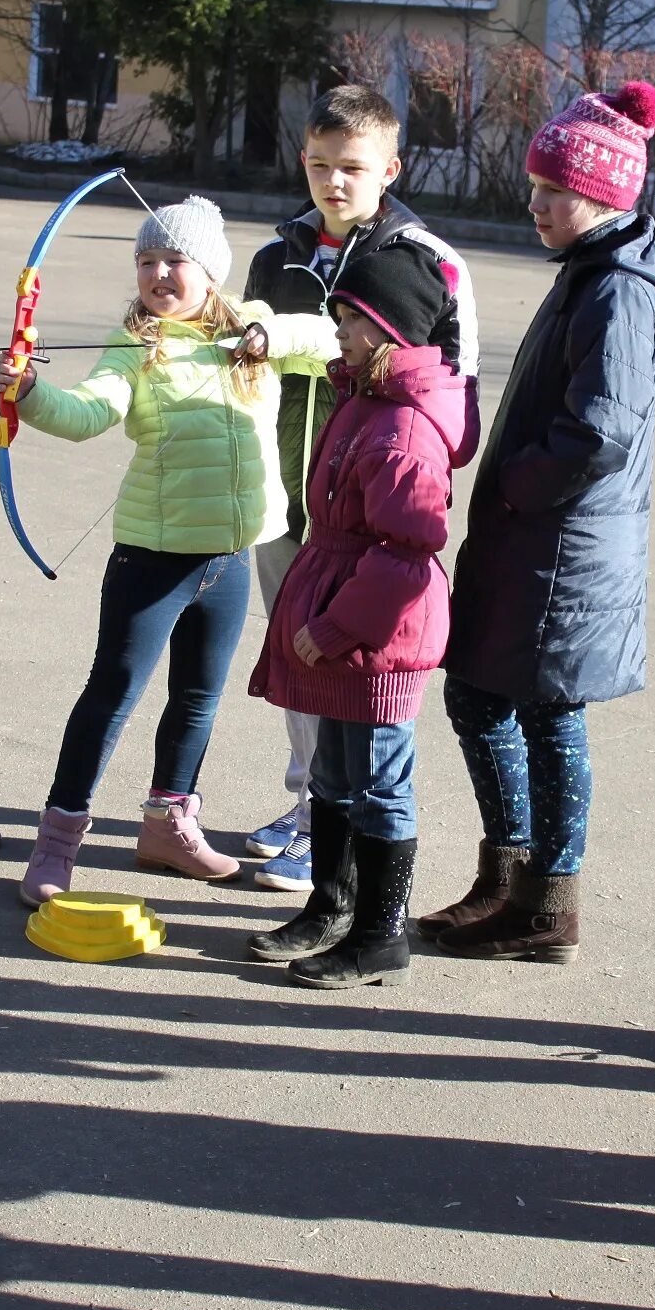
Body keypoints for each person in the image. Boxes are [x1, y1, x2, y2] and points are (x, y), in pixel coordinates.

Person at [427, 80, 655, 964]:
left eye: (555, 191)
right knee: (482, 693)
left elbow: (602, 430)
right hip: (543, 538)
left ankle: (548, 903)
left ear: (605, 196)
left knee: (543, 713)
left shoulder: (619, 290)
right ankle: (510, 879)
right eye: (537, 186)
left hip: (564, 543)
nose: (537, 204)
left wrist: (516, 483)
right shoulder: (593, 271)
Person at [0, 197, 336, 902]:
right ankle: (57, 843)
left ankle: (167, 825)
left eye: (173, 260)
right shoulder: (135, 344)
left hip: (230, 557)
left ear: (209, 271)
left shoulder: (253, 330)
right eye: (146, 261)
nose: (157, 273)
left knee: (197, 700)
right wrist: (29, 393)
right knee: (112, 695)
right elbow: (88, 413)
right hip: (152, 559)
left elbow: (330, 340)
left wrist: (264, 338)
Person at [240, 85, 481, 897]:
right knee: (298, 658)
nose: (333, 182)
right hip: (282, 489)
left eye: (352, 168)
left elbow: (454, 381)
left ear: (390, 167)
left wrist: (429, 462)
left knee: (354, 666)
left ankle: (338, 834)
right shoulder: (280, 255)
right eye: (318, 165)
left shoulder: (422, 259)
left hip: (370, 508)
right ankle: (305, 802)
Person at [246, 243, 470, 987]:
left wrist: (338, 625)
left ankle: (380, 935)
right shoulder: (363, 400)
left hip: (378, 640)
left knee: (378, 782)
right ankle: (331, 906)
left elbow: (404, 555)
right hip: (345, 615)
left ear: (390, 329)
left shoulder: (404, 433)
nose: (336, 328)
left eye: (349, 317)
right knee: (338, 775)